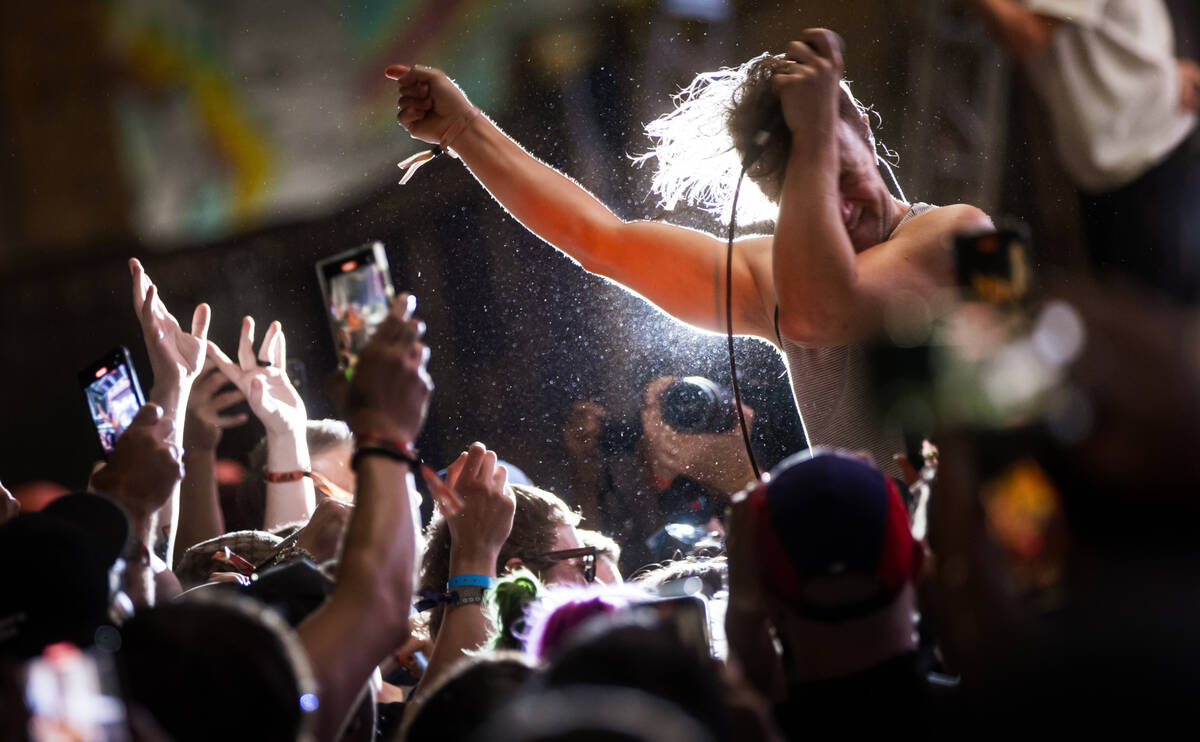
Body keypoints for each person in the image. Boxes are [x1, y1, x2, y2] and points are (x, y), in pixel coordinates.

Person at [386, 30, 992, 479]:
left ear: (860, 125)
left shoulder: (962, 232)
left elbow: (822, 311)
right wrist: (464, 132)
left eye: (841, 174)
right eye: (806, 190)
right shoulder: (773, 276)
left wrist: (811, 144)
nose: (838, 210)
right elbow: (601, 243)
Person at [973, 0, 1200, 301]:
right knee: (1131, 323)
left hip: (1146, 156)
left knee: (1150, 326)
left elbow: (1027, 34)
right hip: (1120, 162)